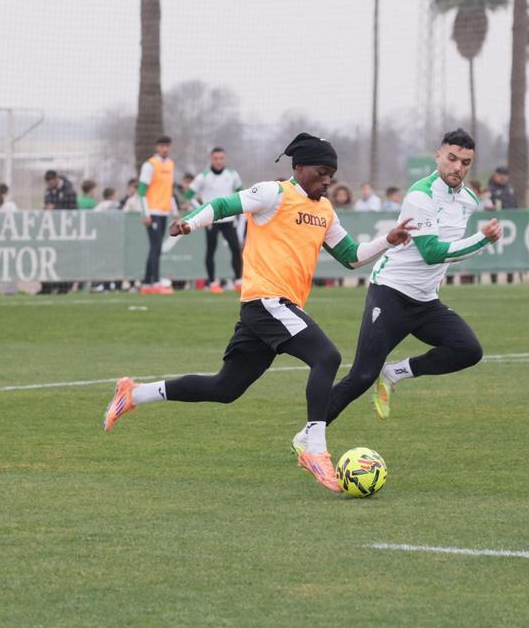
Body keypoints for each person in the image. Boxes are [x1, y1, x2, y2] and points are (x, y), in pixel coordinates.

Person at [101, 132, 416, 493]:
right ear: (299, 168)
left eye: (332, 173)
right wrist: (190, 222)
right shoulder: (274, 193)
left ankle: (133, 393)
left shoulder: (324, 210)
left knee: (225, 388)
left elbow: (352, 257)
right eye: (322, 171)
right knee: (327, 357)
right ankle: (315, 448)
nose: (328, 179)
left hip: (277, 308)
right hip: (266, 301)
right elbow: (223, 206)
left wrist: (386, 241)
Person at [295, 128, 499, 444]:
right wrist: (481, 239)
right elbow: (432, 253)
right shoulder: (421, 196)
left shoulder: (469, 201)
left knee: (468, 350)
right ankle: (308, 436)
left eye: (466, 162)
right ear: (438, 156)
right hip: (390, 294)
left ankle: (395, 373)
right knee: (361, 377)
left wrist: (478, 241)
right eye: (452, 158)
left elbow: (447, 251)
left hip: (426, 301)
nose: (457, 167)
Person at [190, 147, 244, 293]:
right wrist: (201, 212)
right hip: (211, 220)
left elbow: (241, 194)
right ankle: (212, 282)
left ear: (224, 159)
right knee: (211, 251)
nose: (218, 161)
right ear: (211, 159)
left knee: (235, 249)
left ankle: (239, 280)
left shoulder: (232, 174)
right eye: (216, 158)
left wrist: (239, 212)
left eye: (221, 158)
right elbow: (188, 194)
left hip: (228, 219)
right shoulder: (203, 176)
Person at [137, 136, 178, 294]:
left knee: (156, 247)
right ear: (157, 147)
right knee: (156, 247)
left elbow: (169, 190)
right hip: (152, 212)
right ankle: (155, 281)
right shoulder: (149, 165)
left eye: (167, 145)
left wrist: (174, 211)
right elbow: (142, 191)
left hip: (164, 212)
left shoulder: (170, 164)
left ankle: (147, 283)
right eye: (162, 146)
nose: (165, 149)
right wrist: (145, 213)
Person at [42, 169, 77, 293]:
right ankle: (48, 287)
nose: (49, 185)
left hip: (67, 230)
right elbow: (46, 205)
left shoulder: (69, 190)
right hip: (53, 230)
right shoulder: (48, 191)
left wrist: (55, 207)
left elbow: (71, 207)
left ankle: (65, 286)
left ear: (56, 179)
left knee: (66, 257)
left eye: (50, 182)